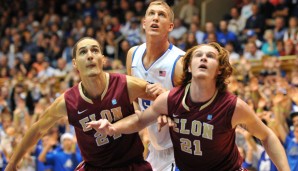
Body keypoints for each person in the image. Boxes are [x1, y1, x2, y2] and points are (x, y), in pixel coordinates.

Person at [88, 42, 290, 171]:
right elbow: (140, 119)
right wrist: (113, 127)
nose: (203, 58)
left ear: (219, 70)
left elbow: (267, 136)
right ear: (189, 67)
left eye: (210, 56)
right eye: (198, 55)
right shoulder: (172, 99)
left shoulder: (232, 106)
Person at [5, 37, 154, 171]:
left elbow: (167, 98)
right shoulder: (68, 101)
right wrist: (13, 163)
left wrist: (164, 113)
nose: (90, 55)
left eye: (95, 50)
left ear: (102, 59)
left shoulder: (125, 84)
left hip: (130, 165)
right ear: (75, 63)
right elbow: (38, 129)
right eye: (83, 52)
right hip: (94, 167)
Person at [126, 1, 185, 170]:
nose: (156, 18)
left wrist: (168, 99)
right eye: (151, 13)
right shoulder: (133, 54)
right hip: (154, 149)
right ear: (144, 23)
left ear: (170, 27)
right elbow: (133, 97)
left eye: (162, 15)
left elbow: (196, 108)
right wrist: (138, 117)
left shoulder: (179, 62)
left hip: (179, 150)